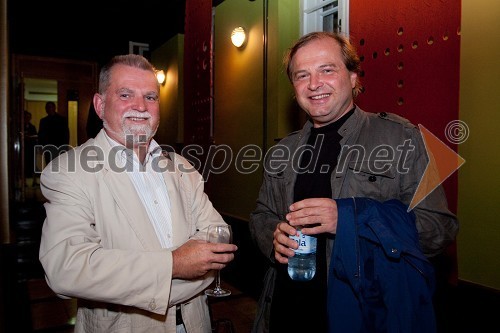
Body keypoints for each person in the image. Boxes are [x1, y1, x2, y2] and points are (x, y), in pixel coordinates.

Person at [249, 32, 459, 332]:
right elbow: (261, 214)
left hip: (365, 316)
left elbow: (439, 229)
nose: (313, 84)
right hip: (285, 313)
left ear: (352, 77)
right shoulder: (282, 151)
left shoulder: (403, 139)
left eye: (327, 70)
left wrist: (351, 219)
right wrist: (273, 236)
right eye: (302, 75)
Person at [39, 54, 238, 333]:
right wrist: (175, 265)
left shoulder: (181, 166)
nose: (140, 106)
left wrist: (148, 279)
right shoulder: (69, 171)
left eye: (151, 97)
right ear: (99, 104)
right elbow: (66, 268)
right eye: (125, 94)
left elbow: (216, 236)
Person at [38, 101, 70, 165]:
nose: (49, 109)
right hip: (48, 147)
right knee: (49, 165)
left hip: (59, 147)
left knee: (59, 165)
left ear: (54, 108)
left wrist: (65, 147)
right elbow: (41, 135)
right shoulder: (43, 121)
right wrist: (41, 147)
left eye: (50, 107)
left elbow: (66, 134)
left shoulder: (62, 120)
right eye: (47, 107)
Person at [23, 110, 38, 181]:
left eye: (29, 117)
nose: (27, 118)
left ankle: (34, 180)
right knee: (24, 164)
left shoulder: (32, 127)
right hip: (23, 148)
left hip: (31, 148)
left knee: (33, 164)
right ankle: (24, 181)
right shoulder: (20, 126)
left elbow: (36, 136)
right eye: (26, 117)